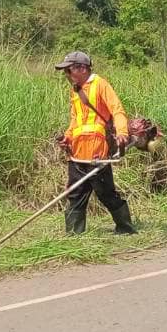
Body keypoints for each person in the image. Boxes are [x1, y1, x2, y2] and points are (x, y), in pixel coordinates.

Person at [54, 50, 137, 235]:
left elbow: (117, 110)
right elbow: (75, 120)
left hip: (97, 152)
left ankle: (125, 228)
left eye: (68, 70)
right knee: (75, 194)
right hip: (77, 153)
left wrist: (122, 132)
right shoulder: (75, 90)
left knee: (106, 193)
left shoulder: (100, 84)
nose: (66, 74)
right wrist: (67, 137)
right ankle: (74, 235)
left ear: (82, 69)